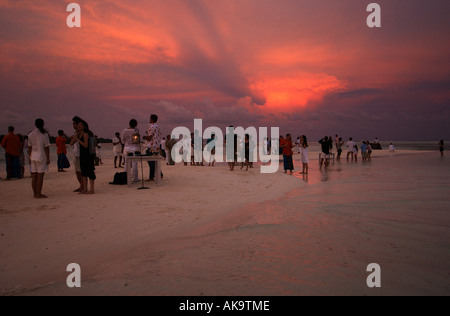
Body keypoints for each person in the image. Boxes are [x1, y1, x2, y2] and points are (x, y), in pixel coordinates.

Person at [28, 119, 50, 198]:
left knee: (34, 177)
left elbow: (29, 147)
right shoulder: (44, 135)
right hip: (41, 156)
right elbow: (46, 147)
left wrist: (29, 157)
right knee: (40, 177)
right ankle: (38, 194)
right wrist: (48, 158)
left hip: (33, 156)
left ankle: (35, 194)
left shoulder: (31, 134)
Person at [74, 120, 96, 194]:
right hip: (82, 155)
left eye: (80, 125)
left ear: (84, 126)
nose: (78, 126)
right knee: (83, 172)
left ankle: (92, 189)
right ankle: (85, 189)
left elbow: (85, 145)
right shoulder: (79, 134)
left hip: (88, 155)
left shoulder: (86, 134)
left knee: (90, 172)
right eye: (78, 125)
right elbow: (71, 143)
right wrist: (76, 136)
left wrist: (77, 139)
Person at [143, 114, 163, 181]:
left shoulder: (151, 126)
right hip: (157, 146)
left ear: (151, 119)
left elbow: (150, 137)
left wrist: (144, 137)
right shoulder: (158, 127)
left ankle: (151, 177)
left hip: (151, 146)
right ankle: (160, 174)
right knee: (155, 161)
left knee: (151, 162)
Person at [70, 116, 84, 192]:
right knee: (78, 170)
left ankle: (82, 185)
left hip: (78, 153)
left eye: (74, 124)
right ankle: (82, 185)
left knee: (78, 170)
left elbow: (71, 143)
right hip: (76, 152)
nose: (73, 125)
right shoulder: (77, 133)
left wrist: (74, 137)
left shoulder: (79, 132)